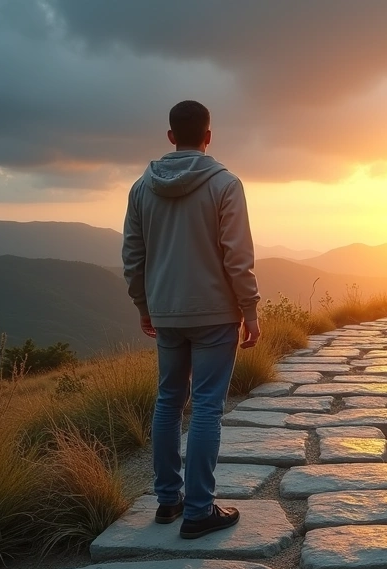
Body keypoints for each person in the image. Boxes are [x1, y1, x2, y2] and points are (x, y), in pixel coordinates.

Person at [122, 99, 260, 539]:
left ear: (170, 136)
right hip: (216, 313)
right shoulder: (225, 184)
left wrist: (144, 306)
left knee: (168, 401)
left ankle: (168, 501)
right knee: (205, 407)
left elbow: (133, 256)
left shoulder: (141, 188)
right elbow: (237, 256)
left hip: (166, 312)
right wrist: (250, 310)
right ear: (208, 136)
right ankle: (199, 510)